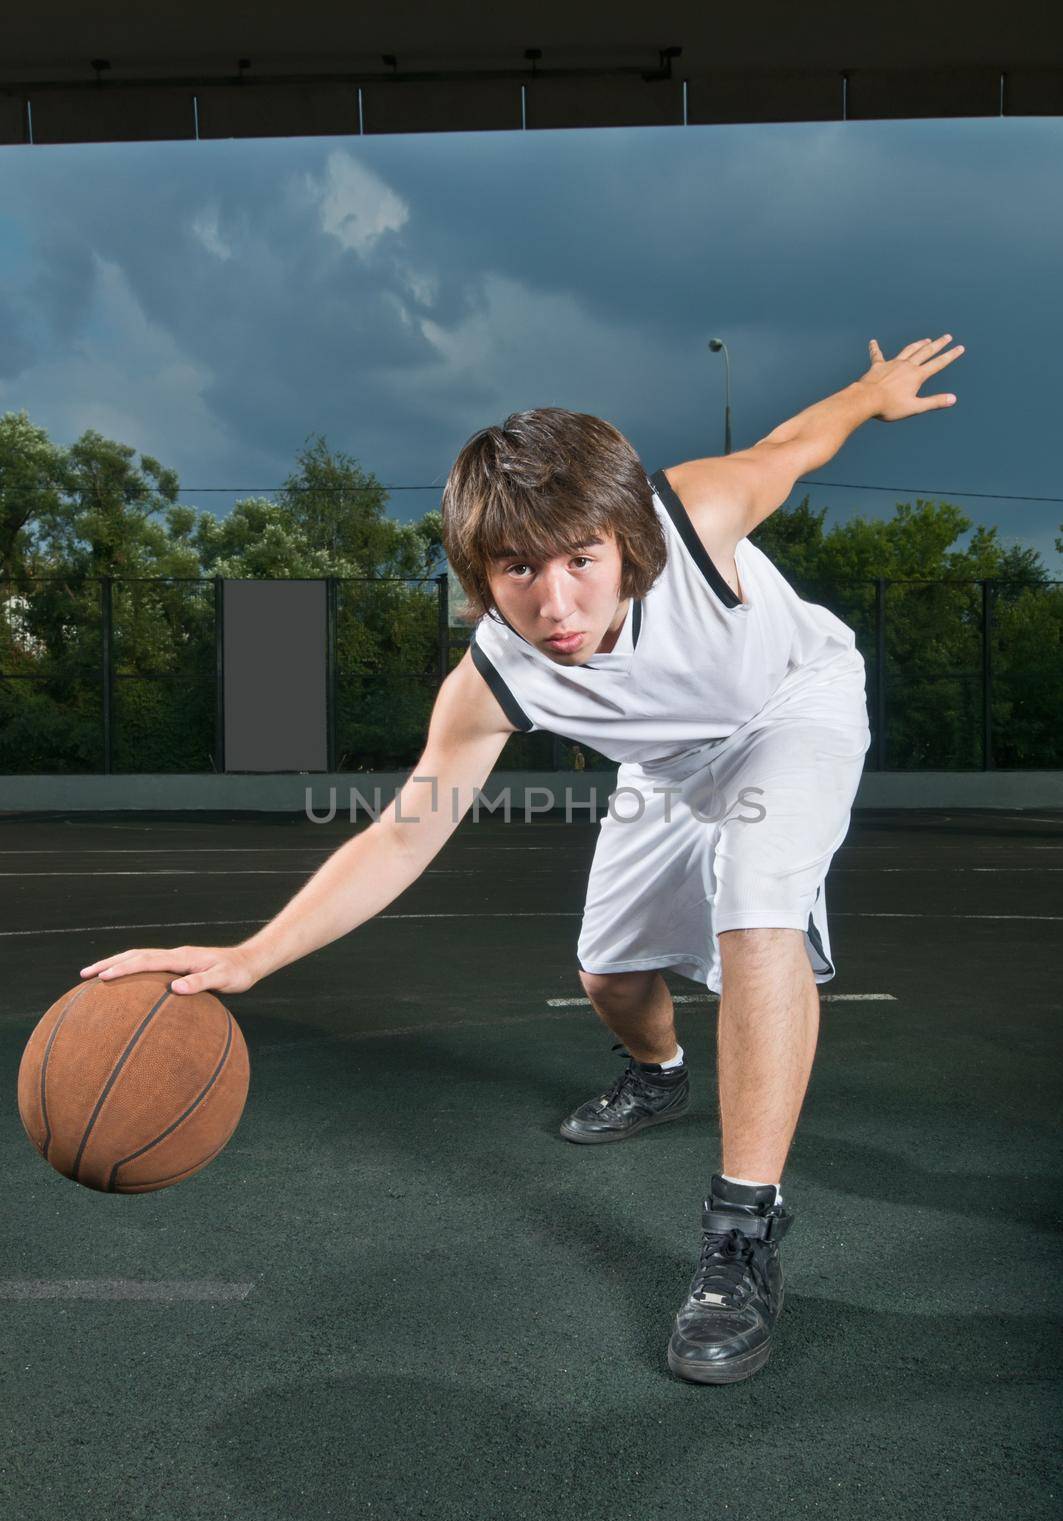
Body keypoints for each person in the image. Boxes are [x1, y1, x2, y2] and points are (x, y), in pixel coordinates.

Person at [79, 334, 965, 1385]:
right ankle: (656, 1073)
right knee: (606, 976)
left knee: (757, 901)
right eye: (517, 569)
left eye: (581, 559)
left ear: (625, 542)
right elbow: (405, 828)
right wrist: (251, 955)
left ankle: (740, 1236)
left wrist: (871, 392)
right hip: (667, 759)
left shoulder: (698, 515)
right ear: (479, 575)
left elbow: (793, 443)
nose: (556, 605)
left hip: (791, 707)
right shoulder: (495, 676)